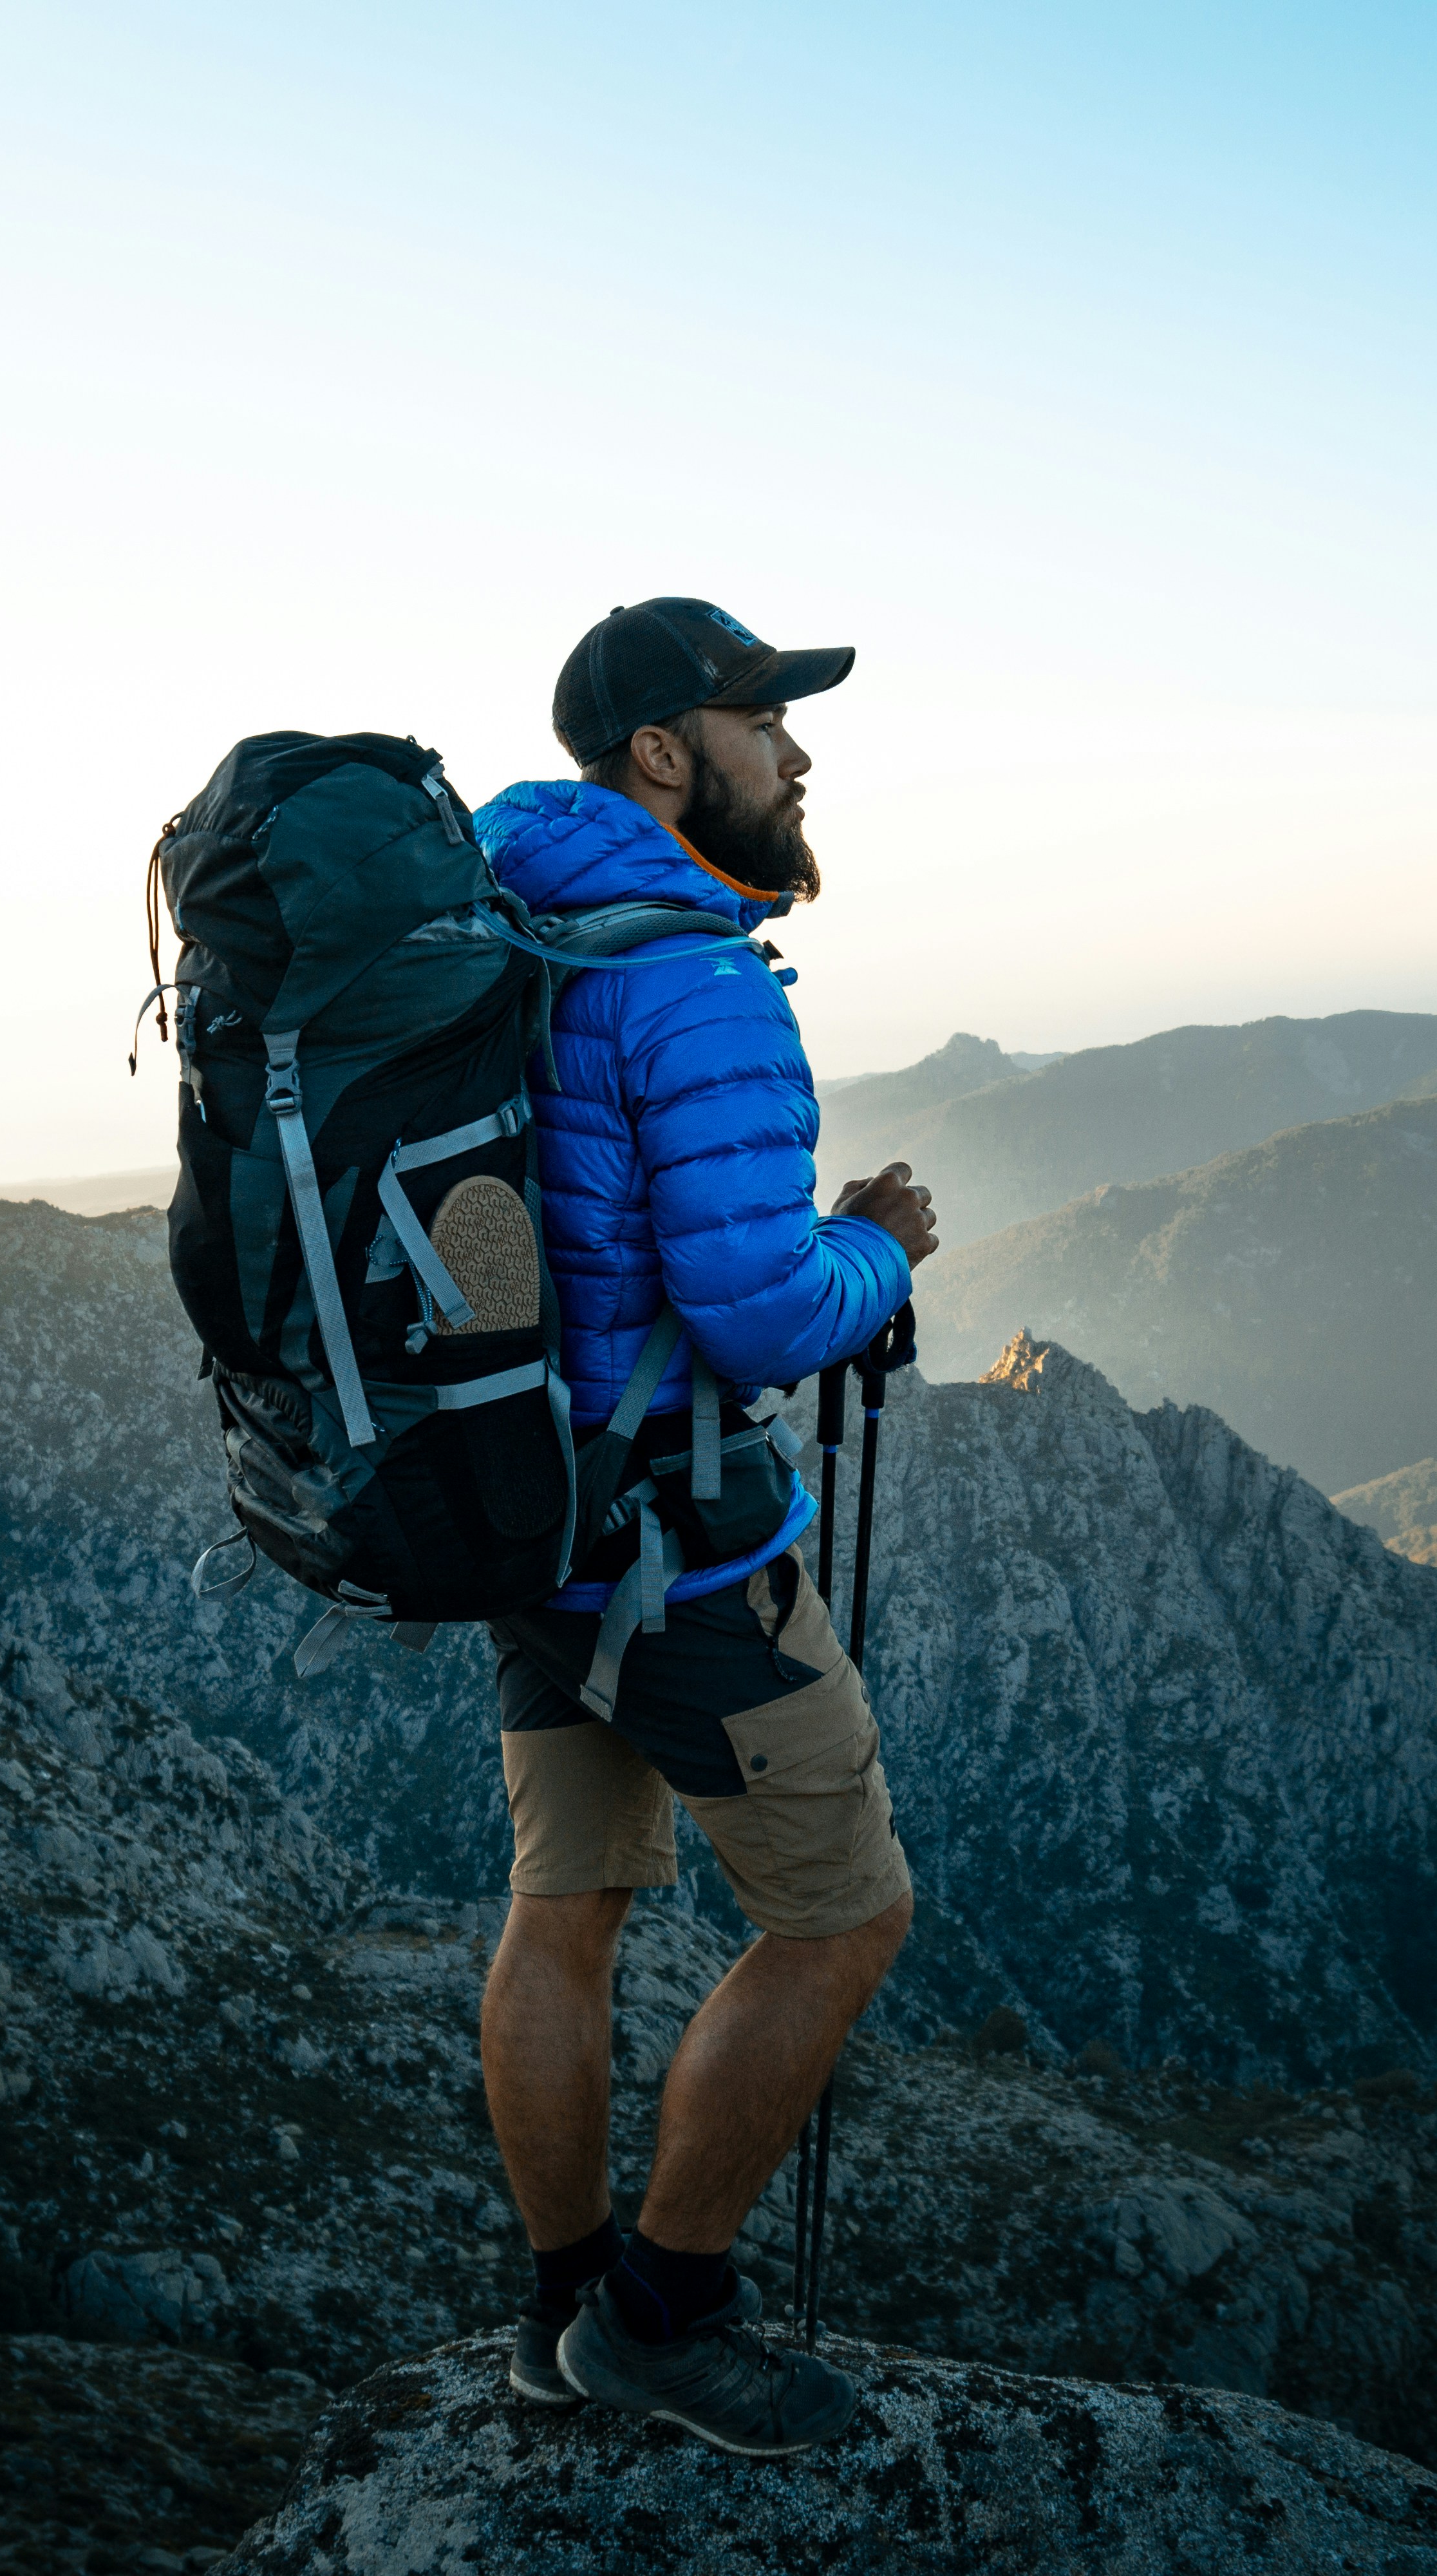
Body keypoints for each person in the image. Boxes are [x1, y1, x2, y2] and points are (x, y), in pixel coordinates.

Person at [466, 598, 939, 2457]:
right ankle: (667, 2319)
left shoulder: (510, 926)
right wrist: (881, 1244)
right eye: (761, 720)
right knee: (844, 1918)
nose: (797, 754)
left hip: (521, 1512)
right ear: (663, 756)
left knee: (563, 1908)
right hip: (680, 1555)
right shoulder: (695, 978)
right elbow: (751, 1311)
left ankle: (561, 2311)